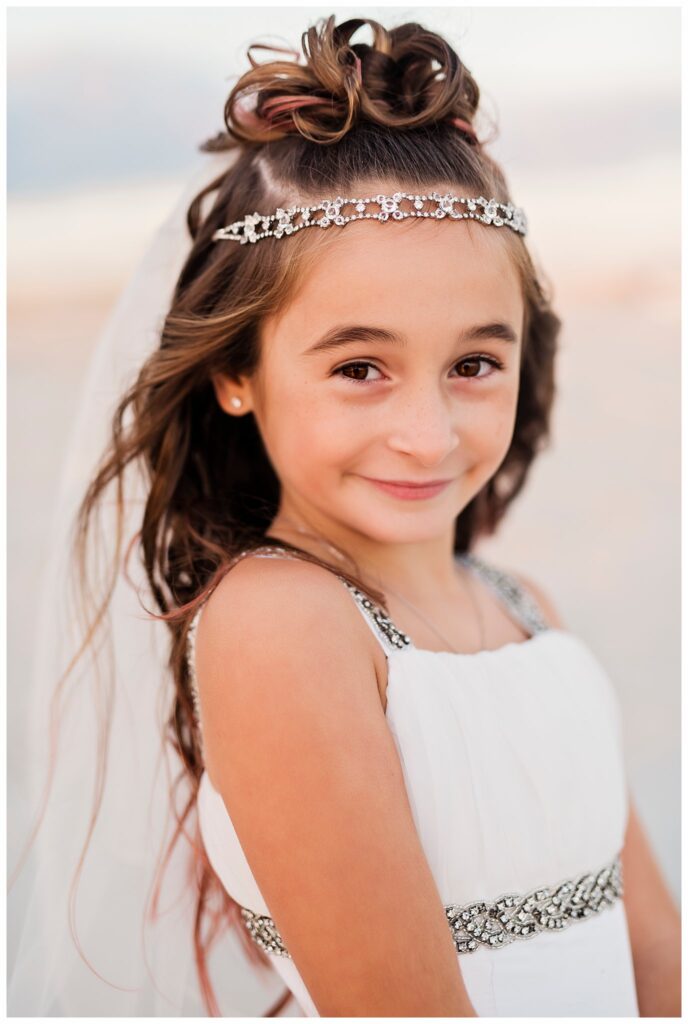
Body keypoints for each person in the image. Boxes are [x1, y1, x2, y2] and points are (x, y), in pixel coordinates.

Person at [9, 13, 680, 1018]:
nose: (427, 431)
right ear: (237, 372)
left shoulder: (521, 603)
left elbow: (655, 960)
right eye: (359, 368)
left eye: (472, 365)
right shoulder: (282, 624)